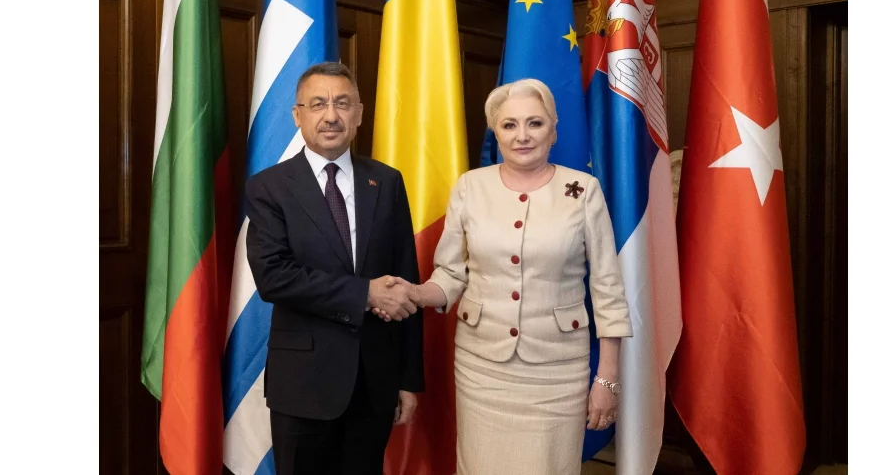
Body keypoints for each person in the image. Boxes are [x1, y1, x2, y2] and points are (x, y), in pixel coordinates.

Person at [373, 78, 634, 474]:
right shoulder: (470, 187)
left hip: (556, 371)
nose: (522, 136)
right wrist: (416, 293)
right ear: (496, 132)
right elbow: (450, 274)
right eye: (509, 125)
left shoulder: (583, 190)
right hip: (483, 369)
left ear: (553, 130)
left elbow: (607, 288)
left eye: (535, 123)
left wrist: (607, 379)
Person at [244, 61, 424, 475]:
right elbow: (274, 277)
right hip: (304, 384)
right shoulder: (269, 187)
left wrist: (408, 378)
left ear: (359, 113)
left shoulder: (387, 181)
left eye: (342, 104)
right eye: (318, 104)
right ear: (298, 115)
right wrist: (366, 294)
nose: (331, 115)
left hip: (375, 383)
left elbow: (406, 280)